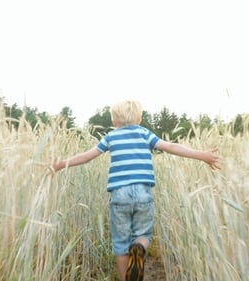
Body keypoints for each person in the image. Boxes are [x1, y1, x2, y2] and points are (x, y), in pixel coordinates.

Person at [51, 99, 221, 281]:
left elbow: (86, 157)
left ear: (114, 122)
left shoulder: (110, 137)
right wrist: (202, 155)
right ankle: (139, 248)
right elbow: (171, 147)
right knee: (143, 234)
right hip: (143, 193)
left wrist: (61, 164)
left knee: (120, 242)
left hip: (119, 195)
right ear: (139, 119)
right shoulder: (145, 134)